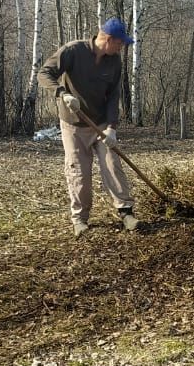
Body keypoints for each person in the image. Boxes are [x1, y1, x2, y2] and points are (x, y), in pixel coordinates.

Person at [38, 17, 139, 237]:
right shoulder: (73, 51)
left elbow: (113, 96)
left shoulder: (114, 62)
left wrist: (111, 127)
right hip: (74, 124)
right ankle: (80, 219)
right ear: (109, 40)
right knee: (79, 172)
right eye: (120, 44)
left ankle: (126, 212)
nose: (121, 48)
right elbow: (44, 74)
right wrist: (62, 94)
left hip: (100, 122)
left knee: (113, 164)